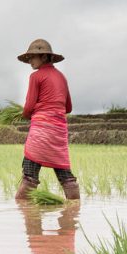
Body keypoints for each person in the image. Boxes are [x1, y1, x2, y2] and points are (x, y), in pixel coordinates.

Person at [15, 39, 80, 201]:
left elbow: (29, 106)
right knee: (65, 174)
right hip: (58, 133)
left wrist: (24, 114)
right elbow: (68, 107)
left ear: (44, 56)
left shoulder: (36, 77)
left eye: (32, 57)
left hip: (41, 132)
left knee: (29, 173)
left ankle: (23, 209)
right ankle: (75, 208)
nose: (30, 61)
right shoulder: (61, 77)